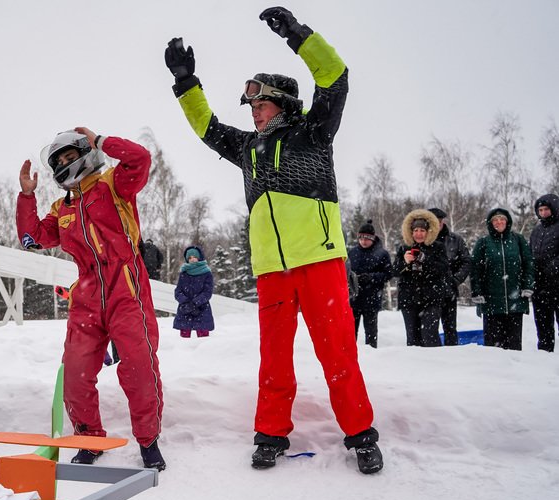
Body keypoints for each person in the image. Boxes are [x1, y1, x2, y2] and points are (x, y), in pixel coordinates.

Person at [165, 6, 382, 474]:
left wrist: (297, 35)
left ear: (282, 103)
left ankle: (361, 435)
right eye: (251, 108)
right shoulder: (248, 147)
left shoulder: (314, 132)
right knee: (274, 360)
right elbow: (207, 128)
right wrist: (186, 82)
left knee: (338, 355)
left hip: (320, 262)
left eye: (260, 105)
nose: (253, 113)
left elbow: (335, 76)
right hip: (272, 271)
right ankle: (270, 434)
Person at [16, 128, 166, 472]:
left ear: (86, 154)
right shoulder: (62, 208)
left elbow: (140, 158)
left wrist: (101, 141)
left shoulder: (113, 184)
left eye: (70, 156)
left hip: (126, 287)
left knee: (139, 366)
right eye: (60, 161)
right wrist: (26, 196)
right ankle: (89, 438)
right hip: (86, 294)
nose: (65, 164)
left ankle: (148, 440)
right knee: (76, 372)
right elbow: (32, 238)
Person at [471, 208, 535, 351]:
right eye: (495, 220)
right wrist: (476, 290)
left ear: (507, 222)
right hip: (491, 302)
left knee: (513, 345)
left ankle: (514, 365)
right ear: (490, 223)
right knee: (493, 347)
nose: (499, 222)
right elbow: (475, 269)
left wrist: (527, 284)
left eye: (502, 219)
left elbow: (528, 263)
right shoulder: (483, 242)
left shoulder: (518, 240)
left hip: (515, 301)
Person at [392, 210, 451, 348]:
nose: (419, 234)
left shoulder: (438, 247)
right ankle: (414, 362)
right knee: (412, 338)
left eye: (422, 230)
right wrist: (405, 262)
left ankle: (435, 360)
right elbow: (394, 271)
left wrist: (425, 259)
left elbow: (443, 269)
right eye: (416, 230)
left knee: (430, 336)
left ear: (428, 231)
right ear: (411, 232)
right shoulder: (404, 248)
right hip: (409, 299)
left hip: (432, 299)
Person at [428, 208, 472, 345]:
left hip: (449, 290)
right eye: (433, 221)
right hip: (427, 292)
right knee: (429, 330)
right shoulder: (423, 239)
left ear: (443, 221)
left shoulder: (456, 240)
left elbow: (466, 261)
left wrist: (456, 280)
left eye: (439, 221)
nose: (437, 224)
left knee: (450, 328)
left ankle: (452, 354)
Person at [347, 220, 392, 348]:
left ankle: (372, 352)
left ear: (373, 238)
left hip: (372, 298)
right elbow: (346, 271)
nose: (363, 241)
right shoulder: (352, 252)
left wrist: (371, 277)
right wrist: (351, 279)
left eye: (367, 238)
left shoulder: (382, 254)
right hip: (354, 298)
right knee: (350, 332)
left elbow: (388, 274)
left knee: (371, 332)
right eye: (361, 238)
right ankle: (350, 352)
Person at [529, 194, 559, 352]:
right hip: (540, 287)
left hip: (557, 284)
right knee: (543, 327)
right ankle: (544, 356)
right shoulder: (536, 231)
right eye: (540, 210)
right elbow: (530, 253)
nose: (543, 212)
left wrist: (552, 267)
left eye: (546, 209)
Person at [173, 245, 215, 338]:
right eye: (190, 258)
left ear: (199, 257)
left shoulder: (207, 273)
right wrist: (186, 302)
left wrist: (195, 303)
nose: (192, 259)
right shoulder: (184, 273)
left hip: (202, 309)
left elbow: (207, 292)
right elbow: (178, 291)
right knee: (184, 341)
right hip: (185, 309)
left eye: (194, 257)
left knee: (203, 340)